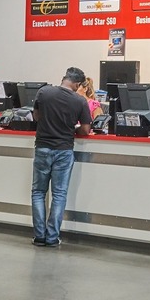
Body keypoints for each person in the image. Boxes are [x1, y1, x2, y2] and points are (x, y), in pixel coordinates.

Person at [31, 67, 91, 247]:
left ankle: (39, 236)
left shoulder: (43, 92)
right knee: (59, 195)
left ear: (64, 78)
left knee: (38, 192)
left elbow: (36, 117)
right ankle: (52, 238)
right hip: (64, 150)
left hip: (42, 147)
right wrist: (73, 129)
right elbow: (86, 130)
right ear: (78, 84)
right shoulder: (79, 101)